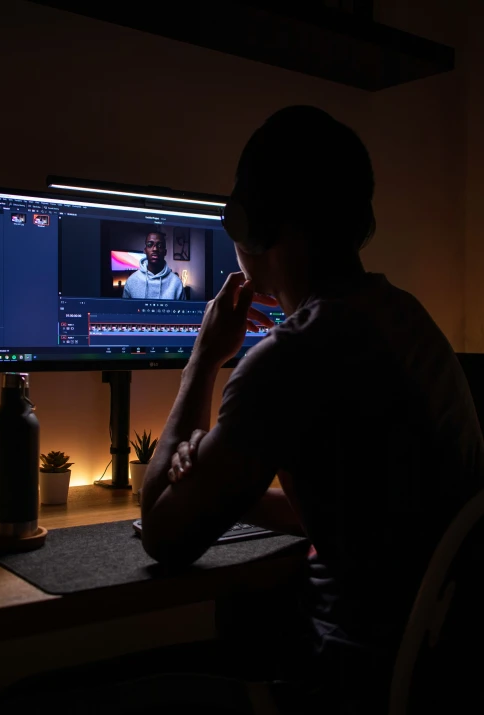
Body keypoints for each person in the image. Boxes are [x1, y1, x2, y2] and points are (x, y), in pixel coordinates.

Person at [140, 106, 484, 713]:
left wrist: (204, 355)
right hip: (430, 676)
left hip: (341, 682)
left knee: (22, 701)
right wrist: (226, 481)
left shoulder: (290, 356)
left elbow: (164, 532)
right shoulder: (406, 318)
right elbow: (346, 511)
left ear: (252, 222)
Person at [122, 231, 186, 300]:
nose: (155, 249)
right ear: (145, 250)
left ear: (165, 252)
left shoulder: (176, 283)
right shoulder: (131, 281)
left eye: (160, 246)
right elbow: (125, 309)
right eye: (150, 244)